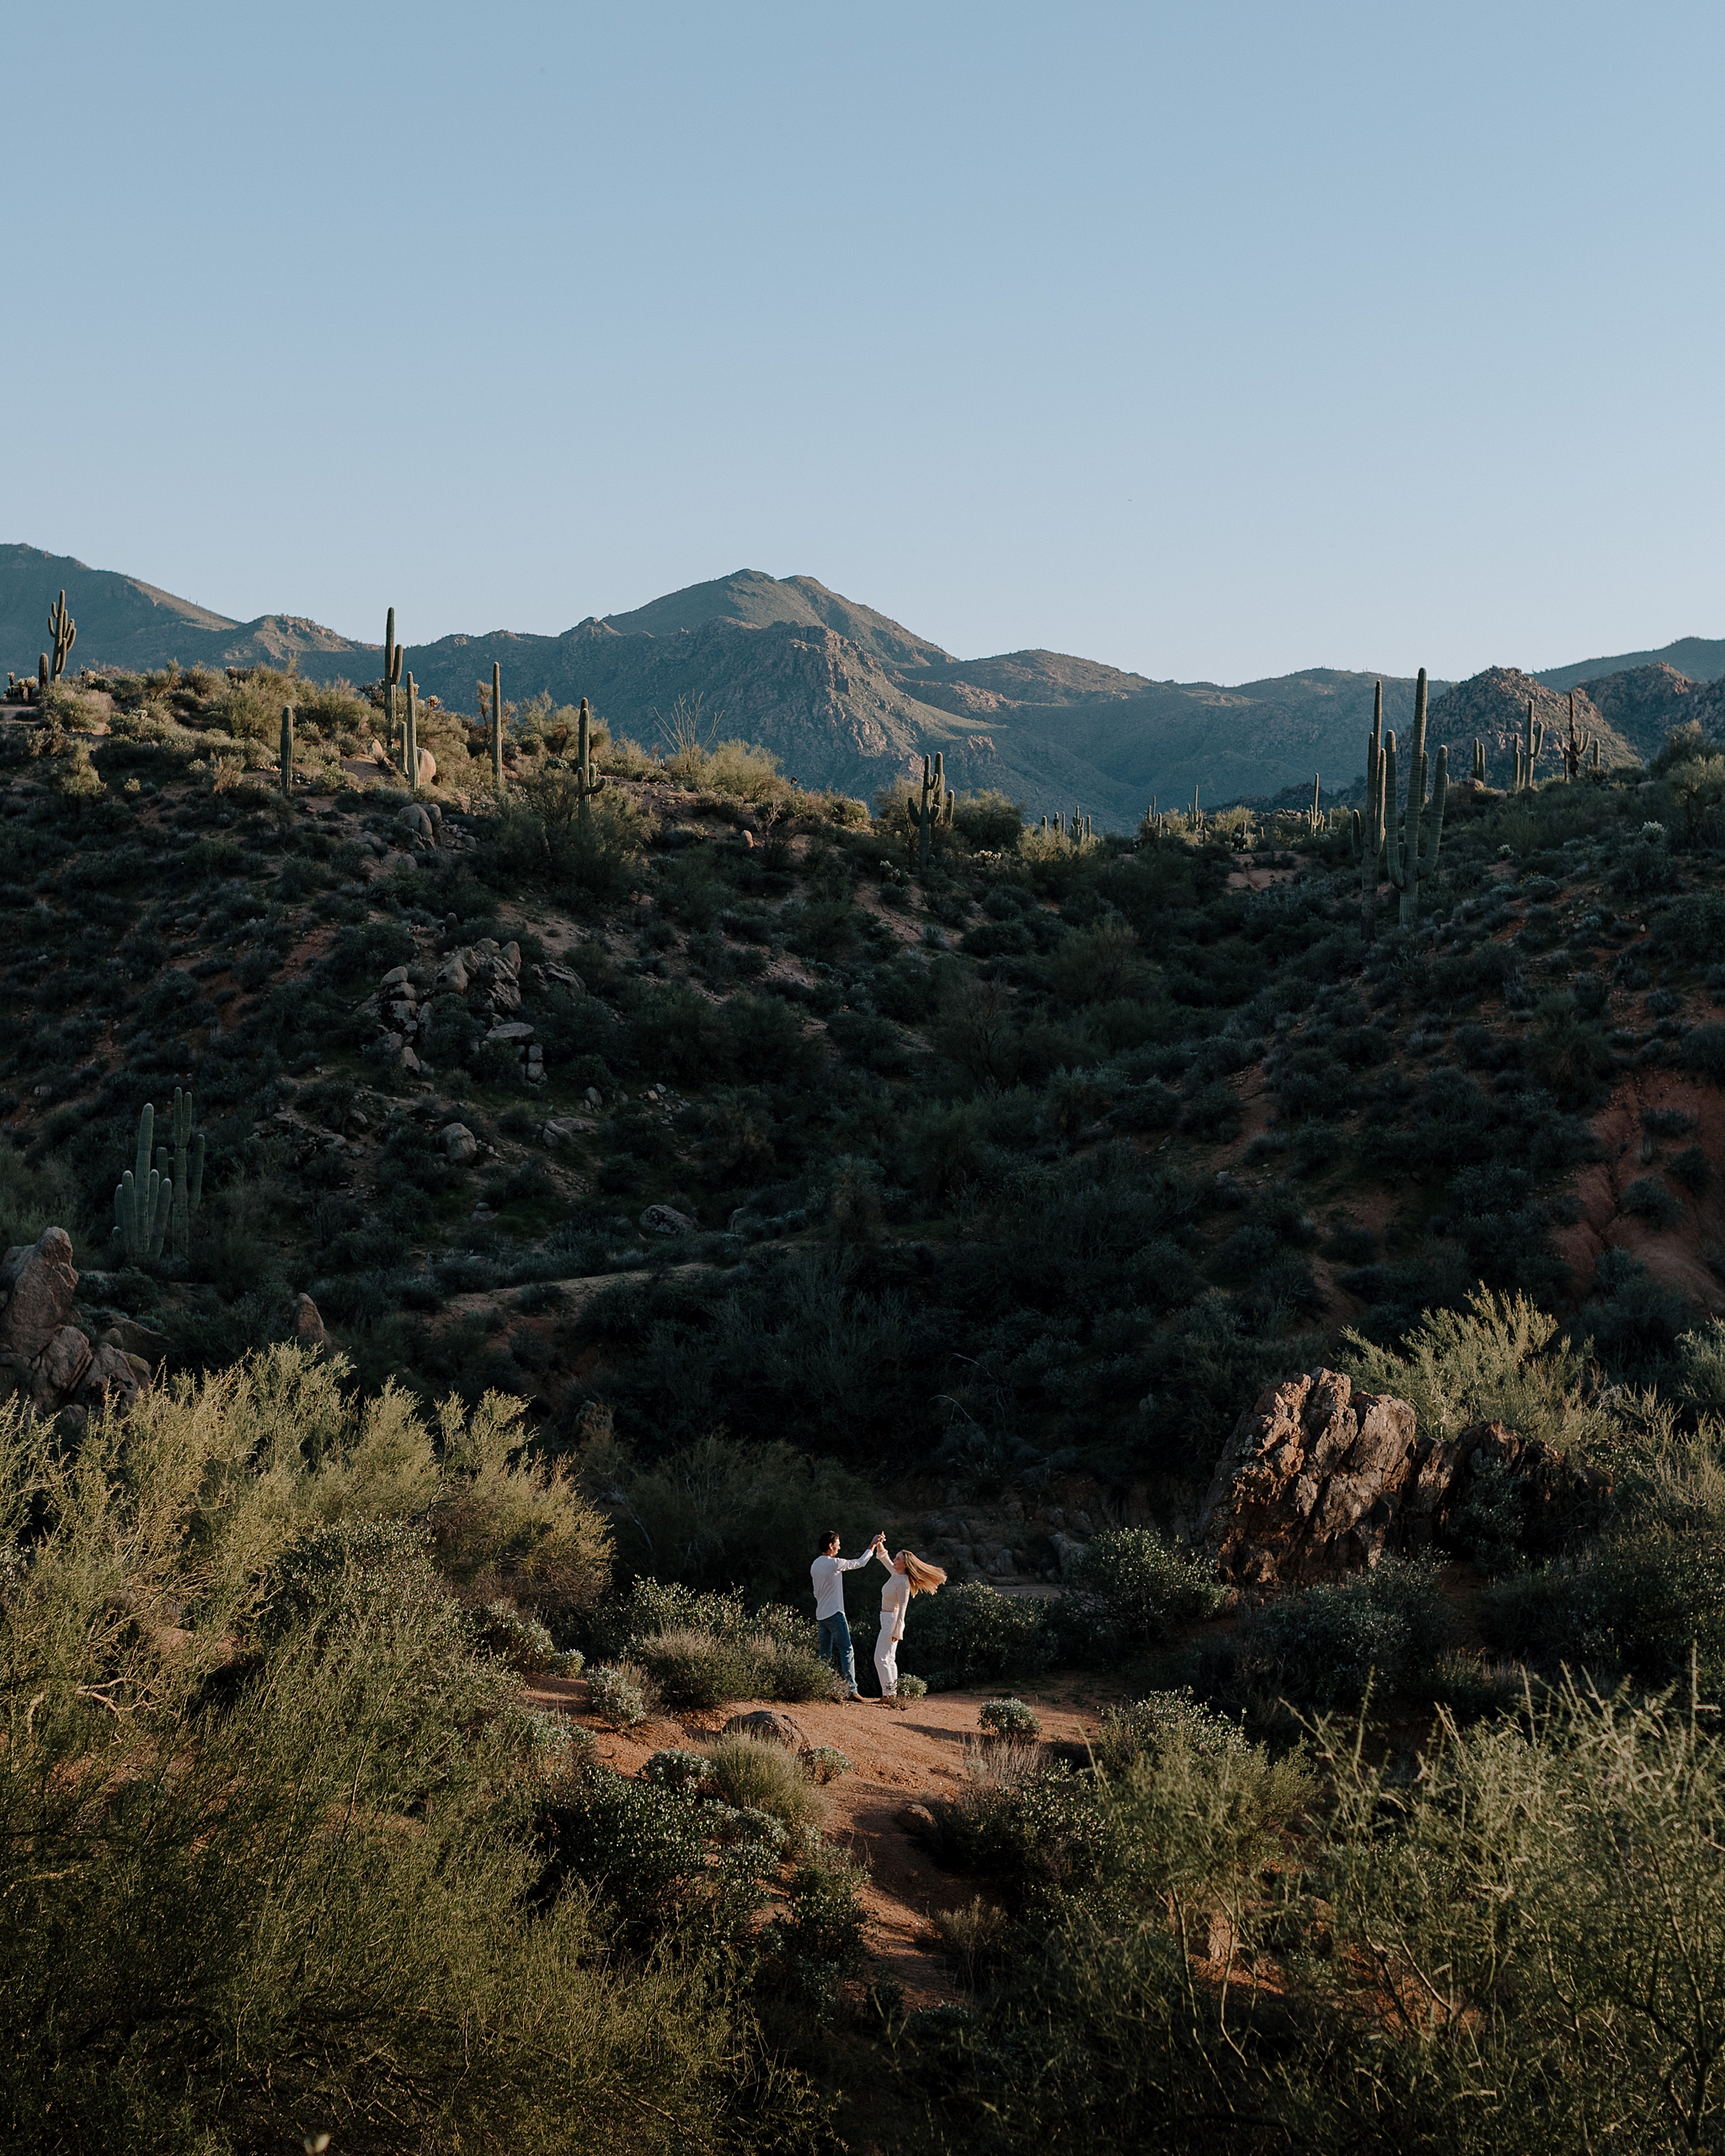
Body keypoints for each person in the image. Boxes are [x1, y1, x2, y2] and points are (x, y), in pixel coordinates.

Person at [810, 1529, 885, 1701]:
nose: (839, 1547)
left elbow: (816, 1592)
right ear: (831, 1545)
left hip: (821, 1614)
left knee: (824, 1653)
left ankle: (822, 1688)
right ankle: (851, 1690)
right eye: (837, 1544)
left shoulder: (815, 1564)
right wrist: (873, 1545)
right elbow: (860, 1563)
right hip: (835, 1613)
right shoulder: (834, 1563)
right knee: (846, 1650)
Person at [870, 1545, 947, 1700]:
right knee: (889, 1658)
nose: (894, 1559)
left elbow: (903, 1608)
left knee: (880, 1657)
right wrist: (879, 1542)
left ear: (905, 1564)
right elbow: (883, 1557)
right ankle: (891, 1693)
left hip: (892, 1620)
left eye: (898, 1559)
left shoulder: (903, 1582)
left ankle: (888, 1694)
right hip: (886, 1619)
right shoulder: (895, 1573)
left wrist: (898, 1629)